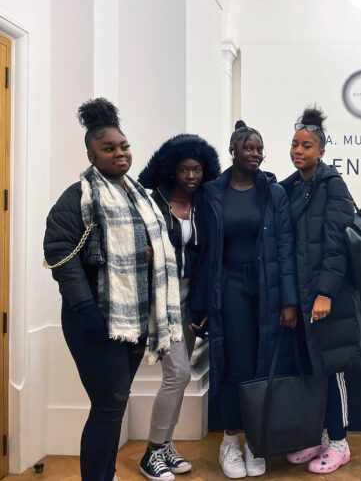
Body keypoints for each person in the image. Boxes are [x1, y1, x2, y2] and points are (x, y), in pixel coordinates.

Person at [43, 98, 182, 481]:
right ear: (92, 154)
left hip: (133, 320)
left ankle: (105, 474)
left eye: (124, 146)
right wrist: (86, 311)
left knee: (115, 404)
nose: (120, 153)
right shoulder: (79, 197)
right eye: (109, 148)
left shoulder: (140, 196)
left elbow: (151, 247)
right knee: (108, 405)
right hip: (94, 319)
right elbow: (60, 254)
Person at [191, 121, 298, 478]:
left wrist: (288, 301)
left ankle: (256, 441)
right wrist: (200, 304)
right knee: (234, 365)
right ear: (233, 151)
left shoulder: (273, 192)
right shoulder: (212, 193)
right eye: (248, 148)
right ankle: (229, 441)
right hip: (230, 286)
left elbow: (285, 248)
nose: (255, 154)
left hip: (266, 287)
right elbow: (205, 251)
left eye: (259, 149)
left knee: (262, 364)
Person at [280, 106, 361, 475]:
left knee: (331, 369)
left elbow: (337, 245)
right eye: (295, 144)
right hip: (301, 297)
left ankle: (340, 442)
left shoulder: (333, 184)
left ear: (321, 150)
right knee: (311, 368)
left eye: (306, 146)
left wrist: (326, 293)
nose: (298, 151)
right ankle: (320, 435)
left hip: (327, 298)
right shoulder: (292, 187)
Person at [136, 134, 221, 480]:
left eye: (197, 169)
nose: (191, 175)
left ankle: (164, 445)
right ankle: (151, 454)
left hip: (190, 299)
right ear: (171, 170)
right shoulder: (153, 201)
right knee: (179, 373)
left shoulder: (204, 204)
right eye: (184, 169)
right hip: (161, 299)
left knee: (179, 376)